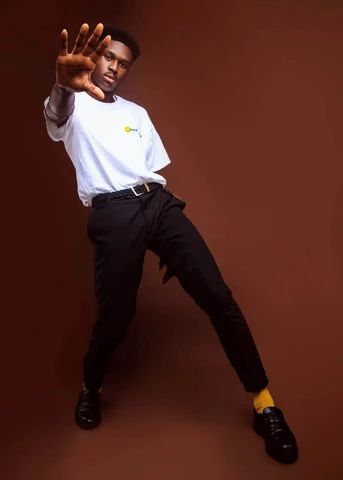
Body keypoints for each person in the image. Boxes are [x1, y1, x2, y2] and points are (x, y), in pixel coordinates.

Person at [43, 22, 298, 464]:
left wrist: (161, 229)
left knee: (219, 297)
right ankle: (90, 388)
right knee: (117, 315)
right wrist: (63, 88)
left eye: (123, 64)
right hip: (113, 213)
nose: (114, 69)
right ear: (96, 56)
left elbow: (148, 172)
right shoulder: (72, 106)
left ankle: (265, 405)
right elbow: (56, 117)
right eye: (109, 58)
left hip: (157, 205)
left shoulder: (137, 115)